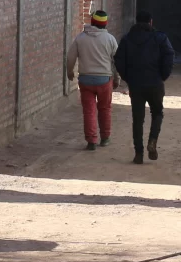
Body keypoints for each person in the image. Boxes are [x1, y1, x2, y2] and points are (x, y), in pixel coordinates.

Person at [114, 10, 175, 164]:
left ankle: (139, 154)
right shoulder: (160, 37)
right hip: (155, 83)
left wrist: (128, 78)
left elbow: (119, 60)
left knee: (137, 119)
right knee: (157, 113)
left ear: (136, 21)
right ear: (150, 22)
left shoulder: (127, 39)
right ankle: (152, 140)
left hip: (136, 85)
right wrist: (163, 75)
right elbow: (169, 55)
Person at [67, 10, 120, 151]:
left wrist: (70, 71)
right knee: (105, 109)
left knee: (89, 111)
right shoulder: (110, 39)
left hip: (85, 80)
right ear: (105, 24)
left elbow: (71, 57)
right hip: (104, 80)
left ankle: (91, 141)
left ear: (92, 22)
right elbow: (117, 61)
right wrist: (117, 78)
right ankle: (105, 138)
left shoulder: (80, 38)